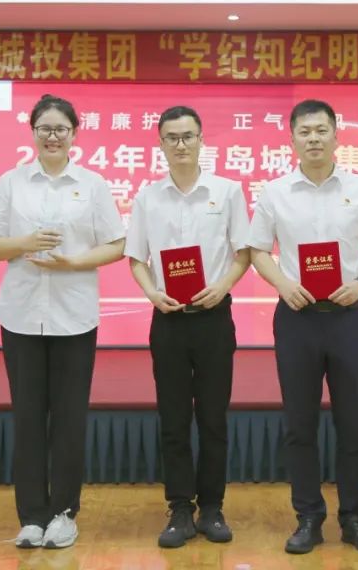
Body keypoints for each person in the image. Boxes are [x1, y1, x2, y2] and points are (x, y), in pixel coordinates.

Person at [247, 99, 358, 555]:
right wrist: (283, 284)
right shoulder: (275, 192)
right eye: (304, 131)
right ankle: (308, 517)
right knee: (300, 424)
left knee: (353, 425)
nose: (313, 138)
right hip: (297, 319)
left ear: (336, 134)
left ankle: (354, 518)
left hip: (349, 318)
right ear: (291, 138)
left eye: (321, 130)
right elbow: (257, 251)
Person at [0, 94, 126, 549]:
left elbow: (117, 244)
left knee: (68, 418)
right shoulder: (11, 182)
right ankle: (31, 517)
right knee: (27, 418)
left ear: (74, 134)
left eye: (61, 128)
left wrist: (74, 262)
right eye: (44, 128)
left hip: (73, 317)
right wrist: (24, 242)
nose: (53, 136)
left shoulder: (93, 184)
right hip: (21, 315)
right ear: (33, 133)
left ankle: (63, 514)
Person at [125, 105, 251, 548]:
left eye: (188, 136)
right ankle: (180, 508)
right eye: (172, 138)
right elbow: (136, 258)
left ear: (201, 140)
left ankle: (212, 507)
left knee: (213, 418)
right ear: (160, 144)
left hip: (214, 318)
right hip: (169, 319)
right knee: (174, 418)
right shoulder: (147, 197)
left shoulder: (228, 191)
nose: (180, 145)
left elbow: (243, 253)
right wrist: (152, 294)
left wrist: (223, 286)